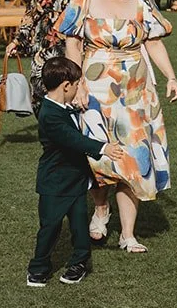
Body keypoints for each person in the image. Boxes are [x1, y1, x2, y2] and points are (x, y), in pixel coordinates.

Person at [58, 0, 177, 253]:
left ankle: (128, 234)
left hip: (136, 91)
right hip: (94, 86)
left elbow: (153, 42)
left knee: (133, 157)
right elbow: (72, 42)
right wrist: (78, 83)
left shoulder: (143, 0)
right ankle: (101, 209)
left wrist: (171, 76)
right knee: (97, 155)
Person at [28, 57, 127, 288]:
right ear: (66, 86)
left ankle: (80, 262)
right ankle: (38, 267)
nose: (78, 89)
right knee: (50, 225)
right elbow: (72, 139)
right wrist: (103, 148)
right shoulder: (49, 114)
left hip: (75, 179)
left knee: (79, 225)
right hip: (55, 182)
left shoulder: (60, 106)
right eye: (77, 85)